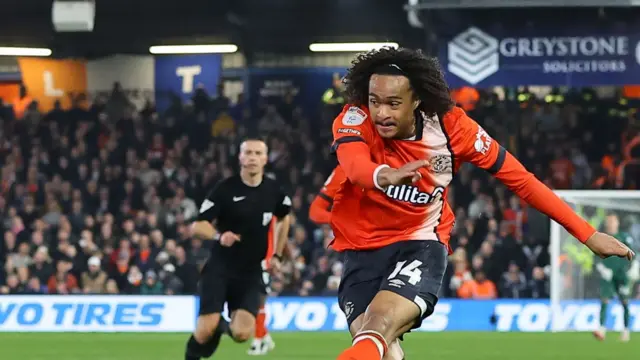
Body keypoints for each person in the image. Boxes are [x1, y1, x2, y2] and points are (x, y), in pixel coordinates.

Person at [330, 47, 634, 360]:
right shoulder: (354, 118)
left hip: (418, 243)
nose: (381, 113)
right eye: (374, 100)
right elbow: (355, 168)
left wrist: (587, 234)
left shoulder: (453, 129)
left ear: (417, 99)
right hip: (362, 249)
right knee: (382, 348)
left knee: (377, 326)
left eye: (393, 103)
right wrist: (386, 176)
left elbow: (522, 181)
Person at [184, 139, 292, 360]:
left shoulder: (273, 190)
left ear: (265, 159)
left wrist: (277, 254)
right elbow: (198, 225)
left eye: (257, 153)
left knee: (242, 333)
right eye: (248, 153)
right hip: (220, 268)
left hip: (251, 272)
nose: (252, 157)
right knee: (205, 330)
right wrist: (218, 235)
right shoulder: (225, 189)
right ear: (240, 158)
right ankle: (202, 342)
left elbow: (284, 217)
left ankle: (220, 326)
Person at [593, 213, 639, 342]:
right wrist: (601, 268)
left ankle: (625, 330)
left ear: (618, 223)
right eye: (609, 221)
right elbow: (595, 256)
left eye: (613, 221)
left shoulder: (624, 237)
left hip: (622, 274)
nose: (611, 224)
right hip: (608, 275)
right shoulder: (601, 237)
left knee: (624, 302)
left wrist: (634, 267)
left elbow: (634, 252)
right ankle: (601, 329)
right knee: (604, 300)